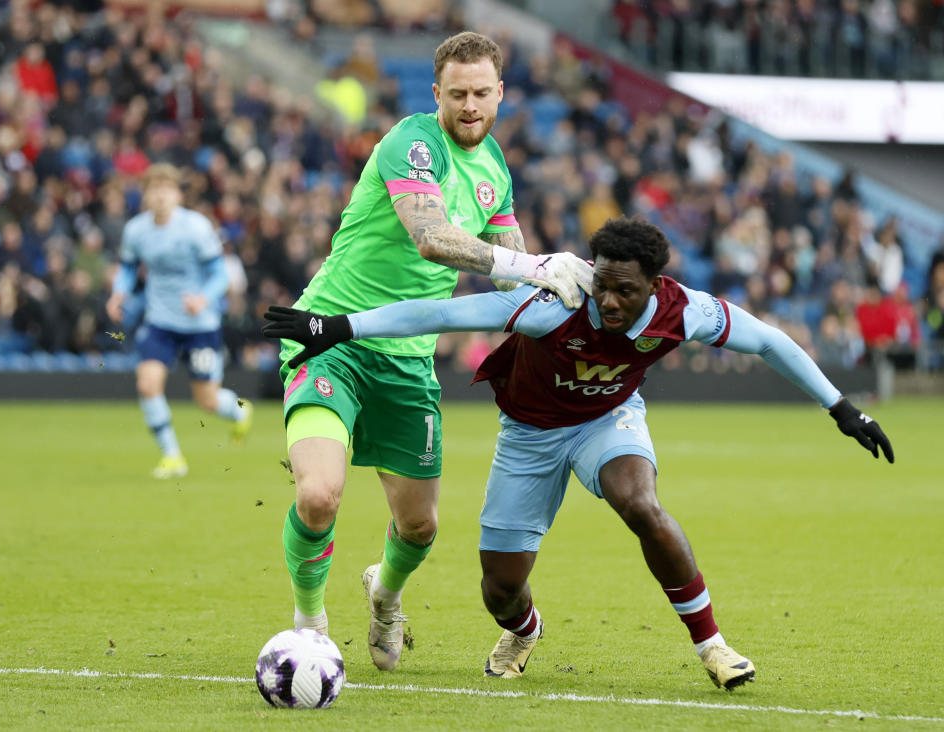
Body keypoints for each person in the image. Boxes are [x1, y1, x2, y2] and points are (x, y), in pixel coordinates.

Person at [262, 215, 894, 690]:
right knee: (499, 587)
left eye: (627, 292)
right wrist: (340, 326)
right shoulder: (554, 304)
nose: (611, 303)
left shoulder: (684, 311)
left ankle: (713, 647)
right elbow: (441, 314)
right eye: (603, 287)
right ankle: (525, 631)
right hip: (530, 435)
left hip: (608, 420)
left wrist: (841, 408)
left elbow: (768, 340)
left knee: (638, 501)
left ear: (655, 284)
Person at [270, 30, 592, 672]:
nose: (470, 106)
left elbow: (509, 278)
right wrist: (536, 264)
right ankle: (309, 624)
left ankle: (383, 596)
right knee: (318, 497)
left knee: (420, 528)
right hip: (331, 336)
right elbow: (432, 238)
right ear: (437, 92)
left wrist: (571, 305)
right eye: (457, 94)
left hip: (408, 358)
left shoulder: (495, 168)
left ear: (500, 93)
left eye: (481, 94)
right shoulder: (412, 143)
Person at [106, 163, 253, 479]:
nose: (159, 196)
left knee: (207, 401)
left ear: (176, 194)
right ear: (145, 195)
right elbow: (129, 268)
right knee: (147, 383)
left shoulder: (196, 228)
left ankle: (242, 410)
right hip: (160, 321)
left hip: (200, 324)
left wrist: (203, 298)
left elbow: (219, 274)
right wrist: (119, 293)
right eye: (153, 189)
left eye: (165, 189)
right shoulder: (136, 231)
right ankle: (172, 456)